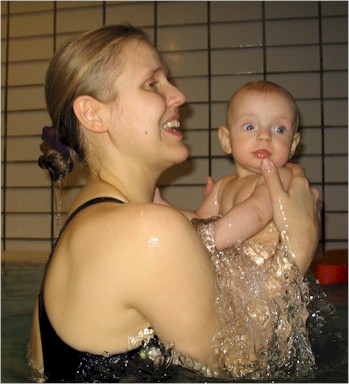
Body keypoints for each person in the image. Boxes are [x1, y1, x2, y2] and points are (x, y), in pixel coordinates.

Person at [27, 24, 320, 383]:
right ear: (93, 114)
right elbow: (240, 368)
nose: (179, 95)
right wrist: (296, 251)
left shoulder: (87, 220)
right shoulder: (148, 232)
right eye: (153, 84)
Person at [155, 81, 319, 379]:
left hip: (264, 297)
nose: (265, 136)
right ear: (226, 140)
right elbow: (199, 219)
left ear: (294, 144)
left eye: (279, 130)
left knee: (249, 361)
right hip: (233, 298)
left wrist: (205, 239)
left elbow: (254, 214)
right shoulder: (224, 186)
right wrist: (164, 209)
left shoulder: (280, 178)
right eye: (249, 127)